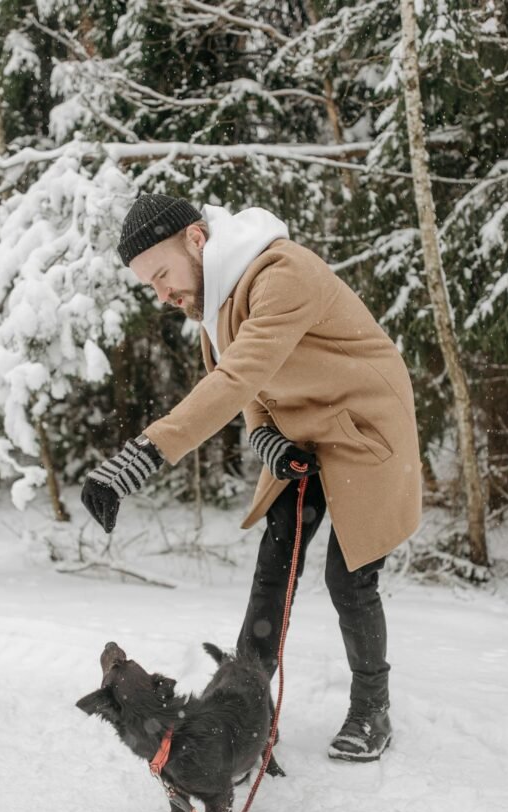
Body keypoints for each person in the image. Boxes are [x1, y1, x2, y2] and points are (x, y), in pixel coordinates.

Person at [81, 193, 422, 762]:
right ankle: (246, 706)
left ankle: (372, 708)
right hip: (301, 437)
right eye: (151, 286)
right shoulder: (213, 305)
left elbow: (237, 377)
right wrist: (266, 437)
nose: (163, 295)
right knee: (275, 567)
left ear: (196, 238)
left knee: (349, 577)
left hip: (365, 430)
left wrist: (138, 457)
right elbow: (254, 395)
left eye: (162, 275)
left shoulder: (281, 273)